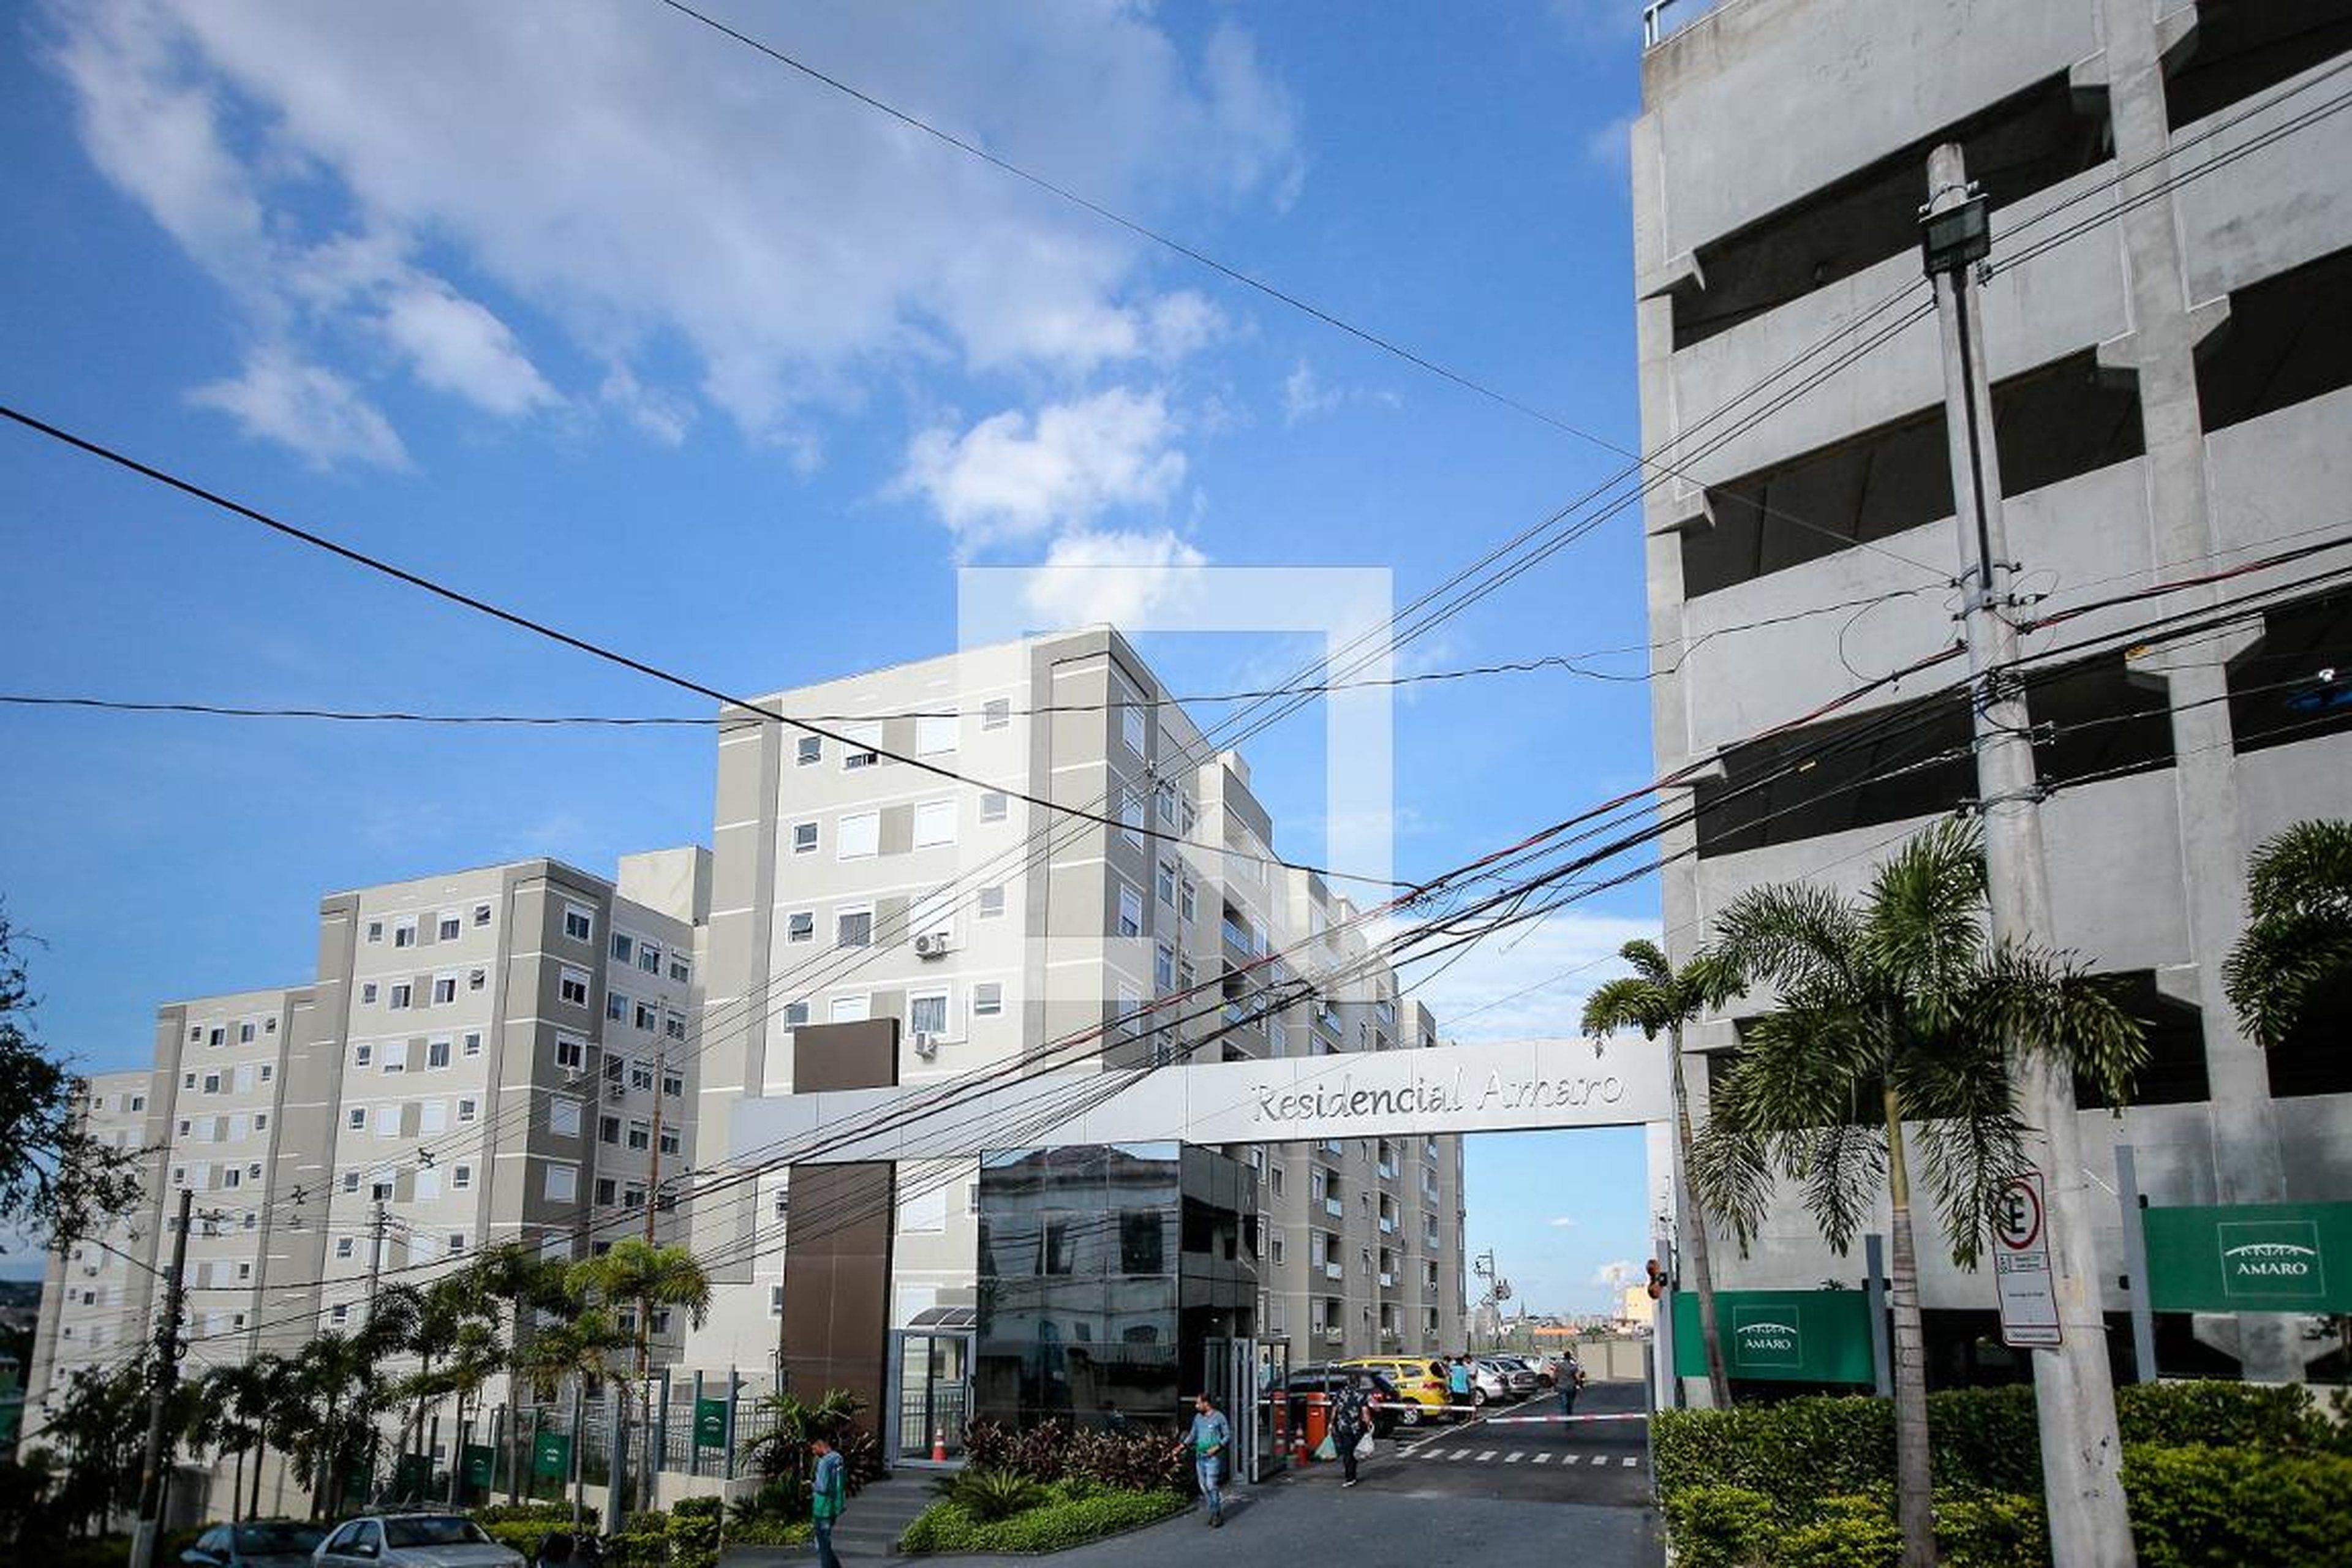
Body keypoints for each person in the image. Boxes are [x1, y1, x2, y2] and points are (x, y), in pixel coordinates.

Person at [1173, 1391, 1232, 1526]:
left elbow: (1228, 1436)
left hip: (1213, 1458)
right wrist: (1181, 1447)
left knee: (1212, 1485)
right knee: (1204, 1487)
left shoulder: (1219, 1417)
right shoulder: (1198, 1418)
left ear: (1206, 1403)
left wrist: (1217, 1447)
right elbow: (1193, 1435)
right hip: (1199, 1457)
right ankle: (1213, 1511)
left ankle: (1217, 1513)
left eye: (1198, 1403)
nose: (1196, 1406)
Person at [1329, 1376, 1378, 1488]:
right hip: (1356, 1428)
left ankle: (1349, 1478)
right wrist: (1369, 1423)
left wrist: (1331, 1423)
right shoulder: (1361, 1394)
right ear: (1358, 1383)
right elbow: (1365, 1412)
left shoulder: (1340, 1393)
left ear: (1347, 1382)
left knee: (1347, 1453)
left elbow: (1334, 1409)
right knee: (1354, 1452)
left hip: (1343, 1427)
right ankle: (1352, 1476)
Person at [810, 1433, 846, 1567]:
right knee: (825, 1542)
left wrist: (812, 1485)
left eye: (815, 1449)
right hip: (834, 1506)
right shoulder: (838, 1458)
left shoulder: (824, 1462)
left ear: (821, 1446)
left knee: (823, 1546)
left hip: (822, 1507)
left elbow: (823, 1486)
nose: (814, 1453)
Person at [1446, 1354, 1474, 1418]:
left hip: (1455, 1389)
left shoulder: (1453, 1369)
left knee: (1456, 1404)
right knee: (1463, 1405)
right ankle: (1463, 1417)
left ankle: (1456, 1417)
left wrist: (1450, 1387)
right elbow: (1467, 1380)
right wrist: (1469, 1389)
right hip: (1464, 1390)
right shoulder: (1465, 1369)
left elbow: (1449, 1377)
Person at [1558, 1348, 1583, 1417]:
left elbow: (1555, 1376)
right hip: (1571, 1386)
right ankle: (1569, 1414)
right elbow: (1577, 1377)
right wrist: (1580, 1385)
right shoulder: (1573, 1367)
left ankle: (1565, 1416)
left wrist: (1554, 1384)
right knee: (1570, 1402)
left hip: (1561, 1387)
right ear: (1570, 1358)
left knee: (1564, 1402)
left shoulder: (1559, 1366)